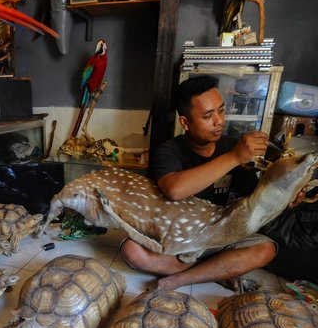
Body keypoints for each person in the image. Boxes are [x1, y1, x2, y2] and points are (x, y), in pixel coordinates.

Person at [120, 75, 305, 290]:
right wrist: (234, 157)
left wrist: (285, 198)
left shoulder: (231, 146)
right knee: (131, 250)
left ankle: (182, 278)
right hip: (178, 237)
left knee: (266, 249)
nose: (219, 121)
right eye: (208, 115)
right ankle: (215, 270)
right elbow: (174, 190)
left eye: (221, 110)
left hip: (219, 234)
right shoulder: (169, 150)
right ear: (185, 123)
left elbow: (252, 196)